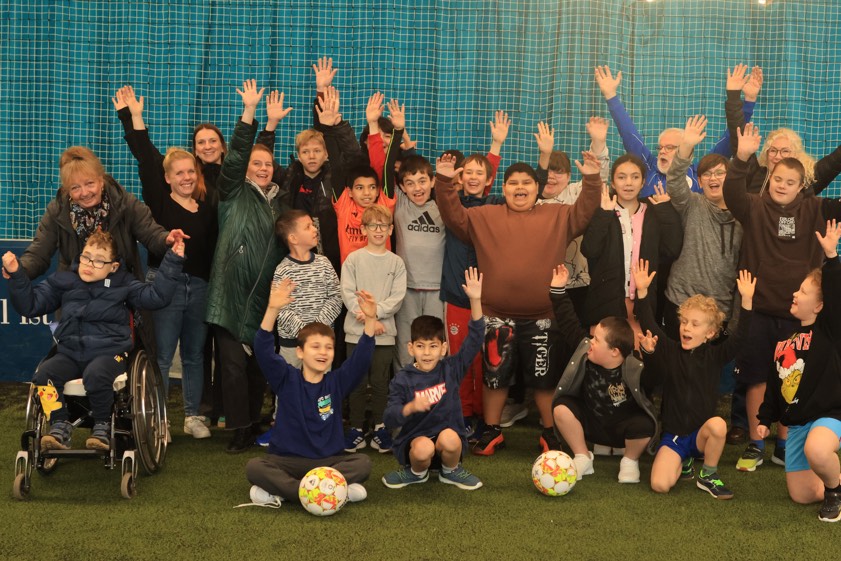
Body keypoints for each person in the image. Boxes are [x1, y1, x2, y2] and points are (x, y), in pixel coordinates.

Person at [435, 149, 602, 455]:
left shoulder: (559, 215)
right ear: (503, 188)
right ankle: (491, 430)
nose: (520, 187)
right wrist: (445, 181)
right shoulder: (484, 215)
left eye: (527, 182)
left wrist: (592, 178)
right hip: (496, 316)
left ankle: (550, 432)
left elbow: (586, 210)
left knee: (545, 378)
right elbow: (453, 216)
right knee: (494, 375)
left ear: (537, 188)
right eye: (513, 182)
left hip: (544, 315)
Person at [724, 123, 841, 472]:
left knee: (793, 377)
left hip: (800, 315)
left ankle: (785, 444)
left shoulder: (817, 208)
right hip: (759, 309)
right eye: (777, 180)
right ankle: (756, 443)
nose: (782, 186)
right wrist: (742, 156)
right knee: (757, 377)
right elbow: (731, 191)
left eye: (791, 182)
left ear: (802, 185)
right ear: (769, 179)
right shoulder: (753, 207)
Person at [3, 231, 184, 451]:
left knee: (96, 374)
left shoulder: (124, 283)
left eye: (99, 261)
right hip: (69, 353)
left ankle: (102, 427)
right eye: (86, 257)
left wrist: (173, 260)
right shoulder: (64, 281)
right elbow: (29, 305)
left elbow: (157, 297)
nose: (89, 264)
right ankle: (59, 425)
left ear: (114, 266)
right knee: (43, 375)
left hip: (109, 352)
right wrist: (16, 274)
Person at [112, 86, 219, 440]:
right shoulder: (158, 198)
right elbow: (145, 155)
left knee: (193, 356)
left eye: (191, 172)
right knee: (160, 357)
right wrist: (135, 117)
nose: (187, 177)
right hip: (165, 286)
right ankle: (158, 419)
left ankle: (192, 417)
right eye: (180, 173)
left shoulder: (206, 208)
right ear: (168, 178)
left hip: (200, 288)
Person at [205, 80, 292, 453]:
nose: (262, 168)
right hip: (228, 295)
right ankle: (238, 427)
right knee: (232, 367)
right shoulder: (232, 192)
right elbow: (241, 154)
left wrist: (271, 130)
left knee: (258, 366)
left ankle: (254, 421)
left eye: (268, 164)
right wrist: (252, 115)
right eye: (256, 165)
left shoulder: (279, 202)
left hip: (264, 299)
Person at [242, 278, 378, 507]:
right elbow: (263, 350)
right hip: (286, 462)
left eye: (328, 348)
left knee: (363, 463)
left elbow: (361, 360)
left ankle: (288, 492)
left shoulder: (336, 382)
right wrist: (273, 309)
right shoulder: (286, 378)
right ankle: (329, 491)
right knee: (254, 467)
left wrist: (371, 319)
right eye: (315, 347)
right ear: (300, 352)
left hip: (329, 463)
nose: (323, 352)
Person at [634, 260, 755, 499]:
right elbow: (649, 323)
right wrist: (642, 292)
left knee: (719, 425)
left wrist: (747, 302)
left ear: (710, 333)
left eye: (695, 324)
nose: (686, 327)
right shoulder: (669, 350)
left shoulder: (716, 355)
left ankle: (708, 475)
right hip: (674, 437)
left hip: (701, 435)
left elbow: (740, 338)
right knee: (660, 485)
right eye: (684, 321)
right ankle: (683, 461)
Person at [757, 220, 841, 522]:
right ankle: (832, 483)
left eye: (803, 291)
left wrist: (831, 258)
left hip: (828, 416)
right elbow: (773, 382)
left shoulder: (829, 331)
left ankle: (835, 491)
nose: (795, 294)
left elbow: (836, 294)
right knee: (802, 495)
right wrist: (765, 418)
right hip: (796, 426)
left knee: (818, 450)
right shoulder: (784, 341)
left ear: (819, 306)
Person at [550, 264, 658, 484]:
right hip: (593, 425)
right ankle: (582, 456)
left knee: (646, 424)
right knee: (561, 407)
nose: (591, 342)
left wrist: (649, 354)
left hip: (621, 429)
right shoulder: (584, 351)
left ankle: (629, 460)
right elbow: (569, 323)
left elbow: (656, 378)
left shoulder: (634, 367)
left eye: (597, 340)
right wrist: (558, 292)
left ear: (615, 352)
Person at [439, 111, 510, 439]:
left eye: (480, 173)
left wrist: (496, 145)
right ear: (459, 177)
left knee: (486, 360)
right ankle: (463, 413)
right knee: (460, 359)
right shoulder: (452, 202)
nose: (473, 177)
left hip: (488, 298)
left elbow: (495, 181)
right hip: (456, 295)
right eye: (467, 172)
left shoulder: (496, 204)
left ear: (489, 178)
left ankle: (485, 415)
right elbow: (449, 192)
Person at [381, 268, 485, 491]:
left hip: (447, 446)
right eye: (420, 346)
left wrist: (475, 300)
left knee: (450, 438)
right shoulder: (402, 379)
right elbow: (389, 419)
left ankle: (451, 471)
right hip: (417, 447)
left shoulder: (451, 368)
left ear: (443, 348)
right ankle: (416, 473)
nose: (427, 353)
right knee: (423, 448)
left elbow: (475, 340)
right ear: (411, 348)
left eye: (433, 346)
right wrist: (409, 408)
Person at [594, 65, 757, 198]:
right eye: (660, 148)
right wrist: (610, 95)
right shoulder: (648, 168)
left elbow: (731, 138)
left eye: (670, 147)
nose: (662, 152)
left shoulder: (700, 173)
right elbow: (628, 133)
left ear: (687, 151)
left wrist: (748, 102)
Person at [581, 153, 682, 338]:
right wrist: (604, 214)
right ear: (612, 182)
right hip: (607, 300)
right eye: (621, 177)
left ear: (643, 182)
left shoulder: (653, 211)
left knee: (641, 360)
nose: (628, 183)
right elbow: (589, 249)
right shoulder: (604, 209)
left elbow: (673, 249)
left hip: (643, 301)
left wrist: (666, 211)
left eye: (635, 177)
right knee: (605, 357)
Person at [662, 115, 742, 338]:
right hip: (680, 300)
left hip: (719, 308)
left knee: (709, 370)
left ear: (730, 177)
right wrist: (685, 146)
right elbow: (675, 181)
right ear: (699, 181)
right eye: (706, 174)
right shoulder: (692, 204)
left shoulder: (744, 214)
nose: (713, 178)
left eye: (719, 173)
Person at [341, 205, 407, 453]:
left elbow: (397, 297)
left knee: (381, 383)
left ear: (391, 229)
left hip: (385, 334)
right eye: (373, 225)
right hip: (356, 333)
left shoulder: (397, 263)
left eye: (383, 226)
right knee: (357, 381)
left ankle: (380, 428)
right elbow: (348, 294)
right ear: (363, 229)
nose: (378, 230)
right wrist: (368, 319)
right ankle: (356, 429)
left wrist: (376, 315)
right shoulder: (353, 260)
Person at [725, 64, 841, 196]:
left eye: (785, 151)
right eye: (773, 151)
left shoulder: (809, 181)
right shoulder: (755, 176)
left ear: (796, 156)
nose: (777, 156)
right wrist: (734, 96)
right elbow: (737, 136)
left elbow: (836, 160)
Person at [272, 209, 343, 366]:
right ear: (293, 238)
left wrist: (317, 328)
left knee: (320, 388)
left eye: (313, 225)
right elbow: (280, 308)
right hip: (291, 345)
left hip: (321, 343)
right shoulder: (283, 270)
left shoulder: (324, 263)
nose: (315, 229)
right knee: (290, 386)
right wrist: (305, 333)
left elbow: (336, 297)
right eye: (308, 227)